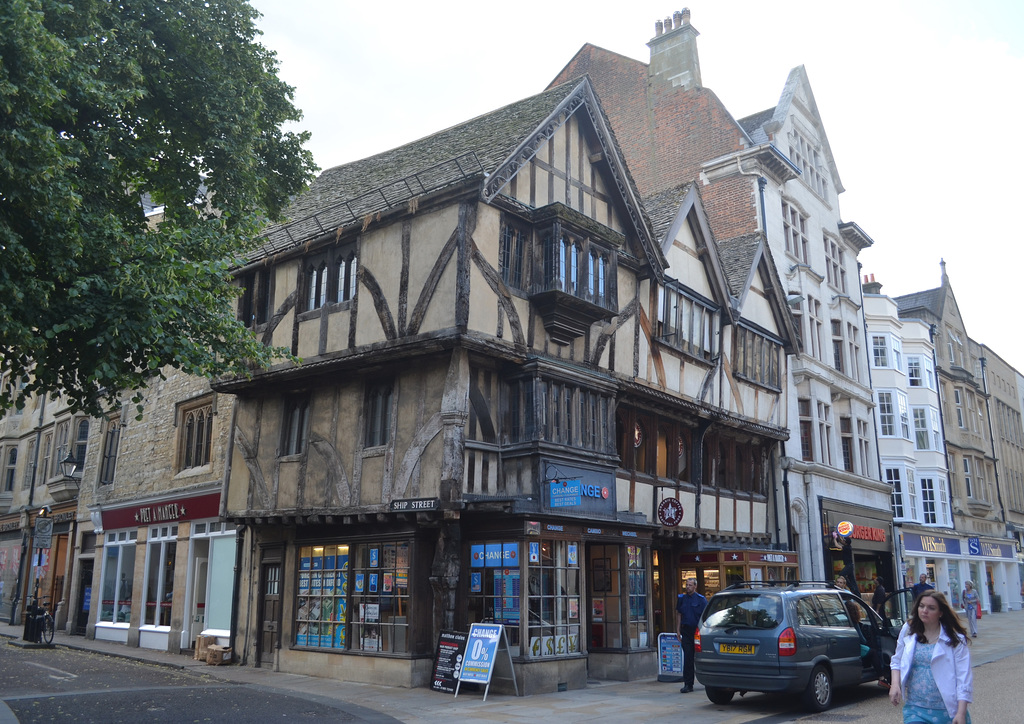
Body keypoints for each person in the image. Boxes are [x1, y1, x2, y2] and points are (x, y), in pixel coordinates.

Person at [889, 590, 972, 724]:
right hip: (915, 709)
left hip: (947, 711)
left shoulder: (955, 640)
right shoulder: (908, 630)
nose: (924, 610)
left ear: (941, 613)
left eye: (931, 608)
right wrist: (895, 685)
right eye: (922, 606)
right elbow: (896, 660)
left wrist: (961, 713)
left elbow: (963, 678)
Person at [675, 576, 707, 694]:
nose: (687, 587)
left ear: (695, 586)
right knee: (688, 657)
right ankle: (688, 683)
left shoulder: (701, 600)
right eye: (686, 585)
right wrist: (678, 630)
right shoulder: (682, 599)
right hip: (686, 631)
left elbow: (705, 616)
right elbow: (679, 614)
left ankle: (707, 680)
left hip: (697, 631)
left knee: (700, 656)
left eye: (690, 585)